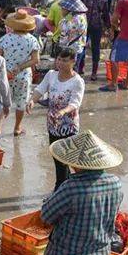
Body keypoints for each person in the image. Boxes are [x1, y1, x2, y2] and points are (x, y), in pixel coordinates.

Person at [27, 47, 85, 191]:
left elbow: (75, 103)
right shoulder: (51, 75)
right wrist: (32, 101)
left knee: (73, 160)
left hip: (69, 126)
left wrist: (63, 111)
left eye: (65, 60)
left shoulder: (77, 81)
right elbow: (40, 89)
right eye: (59, 59)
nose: (60, 63)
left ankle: (82, 185)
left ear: (73, 61)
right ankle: (60, 188)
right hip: (53, 125)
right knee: (58, 160)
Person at [0, 11, 40, 136]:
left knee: (3, 101)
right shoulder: (32, 40)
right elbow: (35, 60)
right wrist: (21, 67)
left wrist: (6, 69)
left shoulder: (5, 38)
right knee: (21, 103)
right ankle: (17, 127)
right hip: (24, 76)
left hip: (6, 75)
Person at [78, 0, 113, 81]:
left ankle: (94, 72)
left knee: (95, 49)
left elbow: (105, 13)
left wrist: (108, 27)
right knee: (81, 47)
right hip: (83, 25)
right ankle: (80, 69)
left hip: (97, 25)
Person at [56, 0, 89, 68]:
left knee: (71, 69)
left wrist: (63, 19)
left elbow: (63, 28)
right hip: (78, 46)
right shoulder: (82, 16)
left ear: (69, 9)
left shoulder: (75, 19)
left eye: (63, 9)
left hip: (73, 48)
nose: (61, 10)